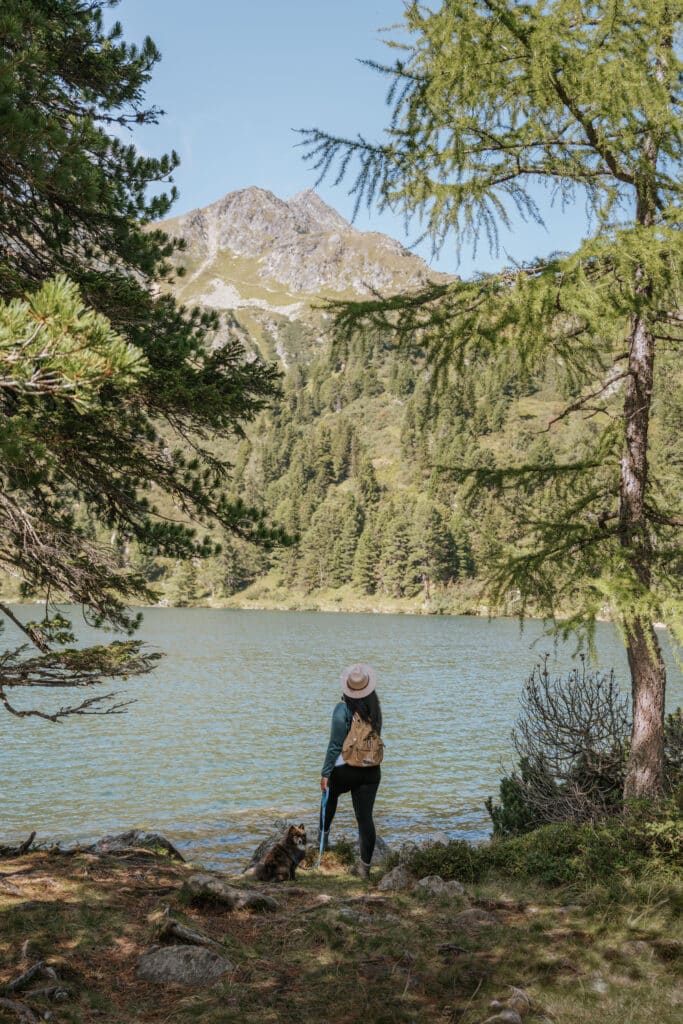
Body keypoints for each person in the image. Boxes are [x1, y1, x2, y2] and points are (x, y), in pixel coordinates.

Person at [320, 663, 382, 879]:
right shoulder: (375, 708)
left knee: (329, 795)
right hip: (372, 771)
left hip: (346, 770)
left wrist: (325, 773)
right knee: (365, 818)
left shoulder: (342, 709)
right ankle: (364, 869)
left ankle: (323, 843)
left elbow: (335, 744)